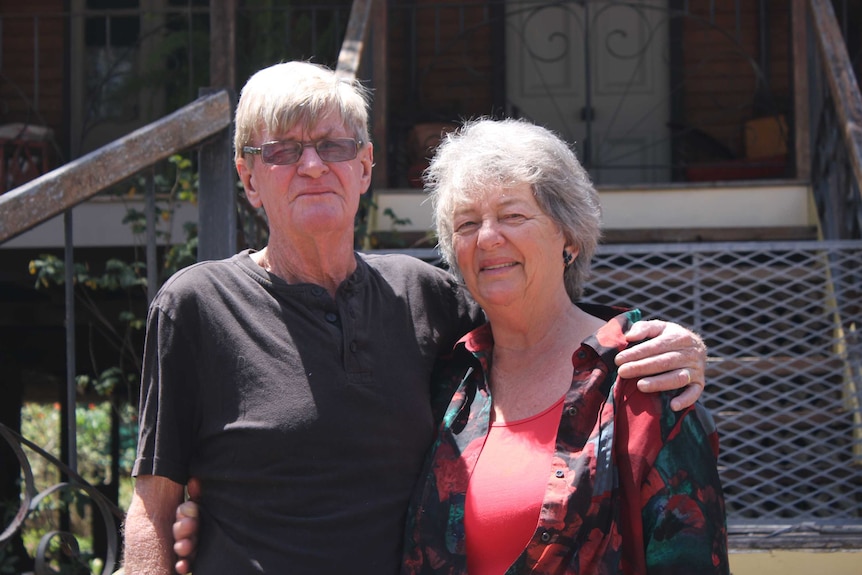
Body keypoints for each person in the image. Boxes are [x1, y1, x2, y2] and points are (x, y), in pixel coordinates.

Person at [124, 61, 709, 575]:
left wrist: (664, 342)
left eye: (333, 145)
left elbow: (536, 311)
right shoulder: (197, 305)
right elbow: (155, 504)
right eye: (280, 150)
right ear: (248, 178)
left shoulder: (427, 300)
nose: (310, 165)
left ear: (365, 166)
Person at [400, 118, 728, 574]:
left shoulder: (643, 382)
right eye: (468, 223)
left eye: (513, 215)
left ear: (568, 237)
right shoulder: (450, 381)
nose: (488, 237)